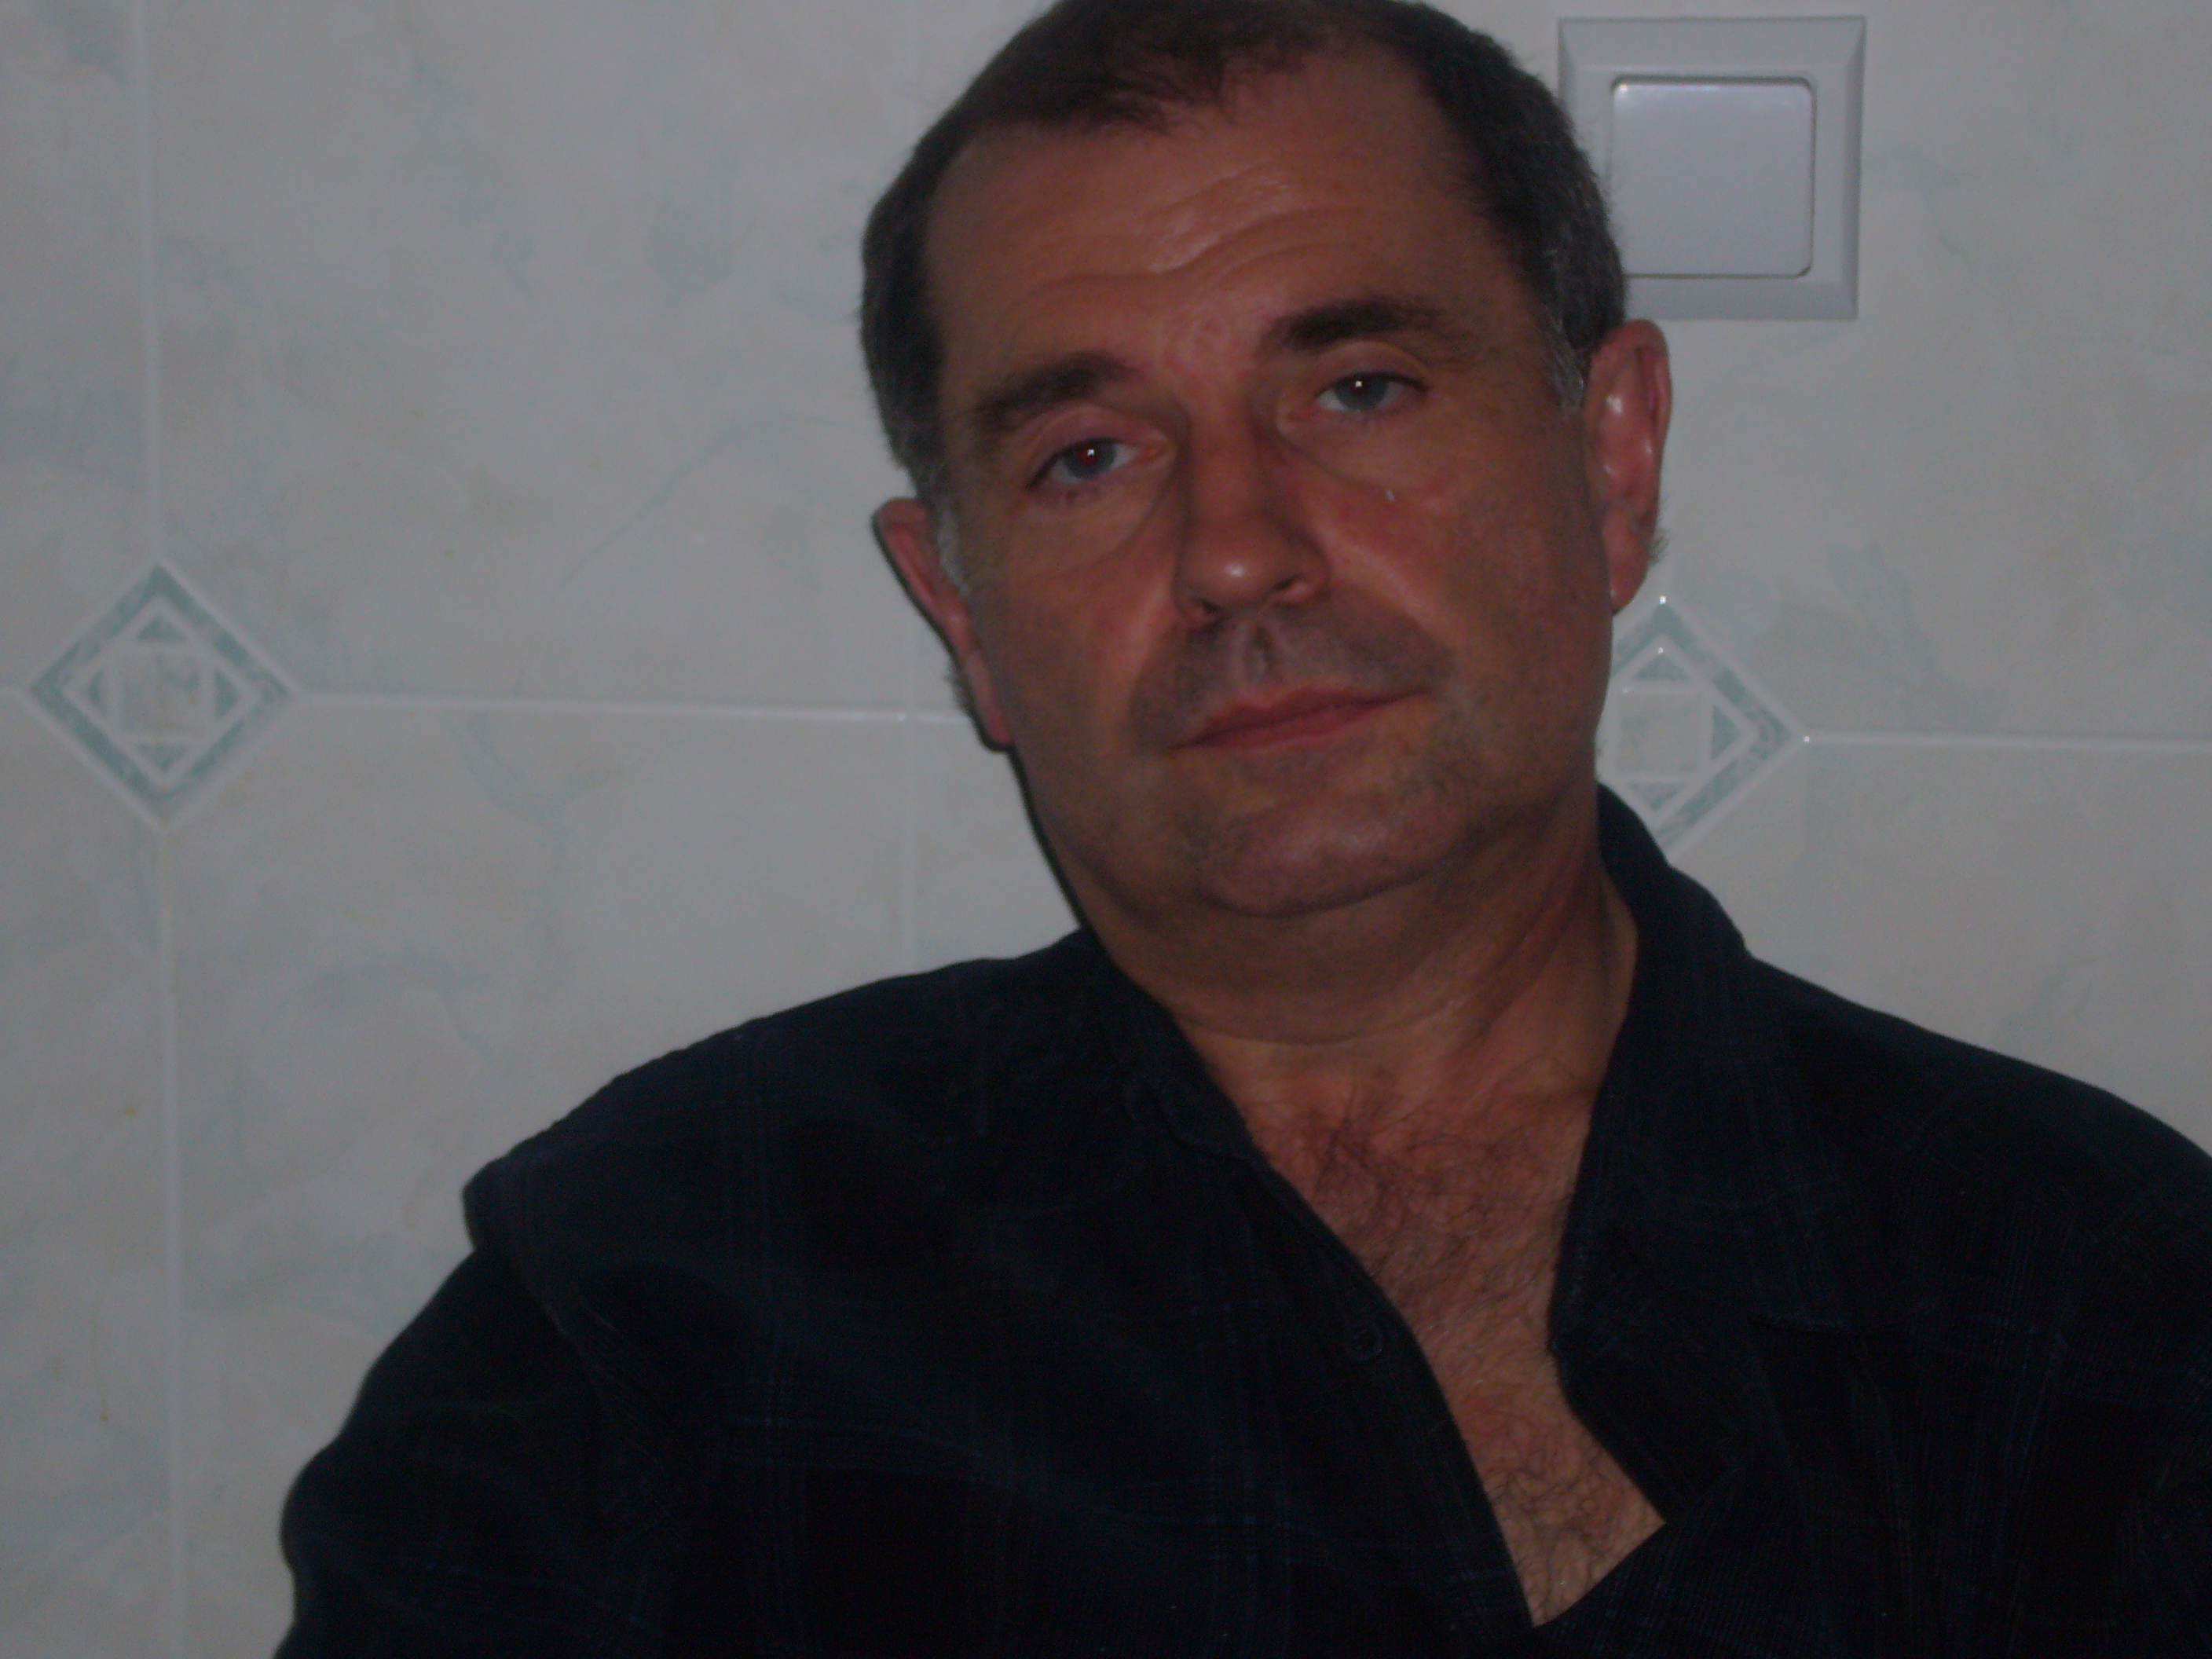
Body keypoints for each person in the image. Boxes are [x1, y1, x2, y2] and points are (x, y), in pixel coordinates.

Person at [275, 1, 2212, 1651]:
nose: (1233, 549)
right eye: (1087, 455)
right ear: (962, 613)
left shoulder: (2098, 1305)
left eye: (1359, 388)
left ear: (1611, 459)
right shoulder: (652, 1303)